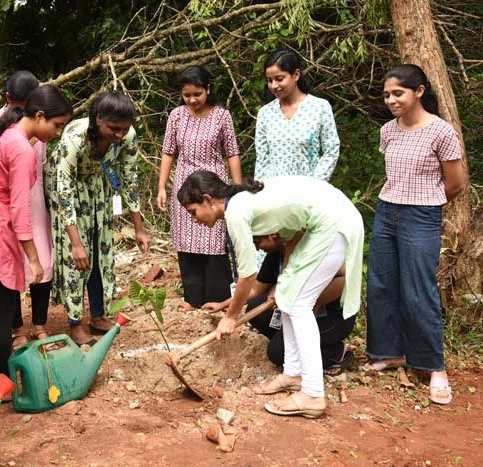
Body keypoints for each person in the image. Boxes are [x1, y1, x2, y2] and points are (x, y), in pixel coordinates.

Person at [177, 170, 364, 418]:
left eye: (193, 212)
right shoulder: (242, 203)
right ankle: (293, 372)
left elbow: (247, 276)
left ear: (208, 199)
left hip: (334, 222)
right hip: (321, 224)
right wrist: (285, 281)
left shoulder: (236, 213)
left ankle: (313, 394)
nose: (194, 219)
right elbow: (293, 238)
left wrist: (231, 317)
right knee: (289, 298)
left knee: (299, 305)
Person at [364, 64, 464, 406]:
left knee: (418, 289)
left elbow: (456, 184)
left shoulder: (441, 131)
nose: (391, 100)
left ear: (419, 91)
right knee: (381, 283)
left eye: (398, 93)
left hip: (421, 215)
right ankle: (391, 353)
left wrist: (427, 206)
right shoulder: (388, 131)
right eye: (387, 94)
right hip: (387, 211)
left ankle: (434, 367)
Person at [0, 84, 73, 391]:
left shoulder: (4, 132)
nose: (56, 133)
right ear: (39, 116)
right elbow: (19, 210)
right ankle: (3, 382)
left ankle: (2, 377)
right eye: (56, 125)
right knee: (0, 316)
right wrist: (34, 258)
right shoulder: (22, 149)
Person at [47, 90, 151, 346]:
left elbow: (129, 180)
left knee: (101, 251)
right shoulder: (74, 138)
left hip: (98, 187)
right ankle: (74, 322)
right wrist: (75, 242)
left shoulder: (127, 136)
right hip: (67, 191)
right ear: (97, 120)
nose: (119, 135)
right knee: (77, 259)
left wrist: (139, 228)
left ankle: (98, 314)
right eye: (113, 128)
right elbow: (64, 191)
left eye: (124, 129)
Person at [202, 232, 356, 376]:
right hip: (294, 311)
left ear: (272, 236)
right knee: (257, 309)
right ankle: (287, 341)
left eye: (258, 242)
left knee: (278, 353)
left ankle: (335, 353)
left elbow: (343, 277)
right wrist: (223, 304)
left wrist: (295, 295)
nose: (257, 248)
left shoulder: (311, 252)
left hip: (331, 317)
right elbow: (255, 289)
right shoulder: (275, 254)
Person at [156, 66, 242, 312]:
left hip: (212, 186)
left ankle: (217, 297)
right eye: (187, 95)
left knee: (213, 240)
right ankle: (192, 298)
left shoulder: (221, 116)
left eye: (197, 94)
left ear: (208, 90)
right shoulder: (176, 116)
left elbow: (232, 152)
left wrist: (237, 189)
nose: (192, 100)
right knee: (186, 242)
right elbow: (168, 152)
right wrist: (162, 186)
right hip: (184, 187)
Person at [0, 71, 56, 346]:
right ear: (9, 100)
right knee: (11, 263)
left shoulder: (41, 121)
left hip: (34, 196)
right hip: (7, 202)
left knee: (43, 260)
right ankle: (16, 328)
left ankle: (39, 322)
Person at [254, 48, 339, 182]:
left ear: (296, 75)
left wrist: (316, 183)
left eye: (279, 79)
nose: (274, 85)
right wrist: (260, 192)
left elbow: (331, 149)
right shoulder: (265, 114)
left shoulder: (319, 107)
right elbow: (262, 160)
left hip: (310, 192)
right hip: (275, 194)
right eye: (270, 80)